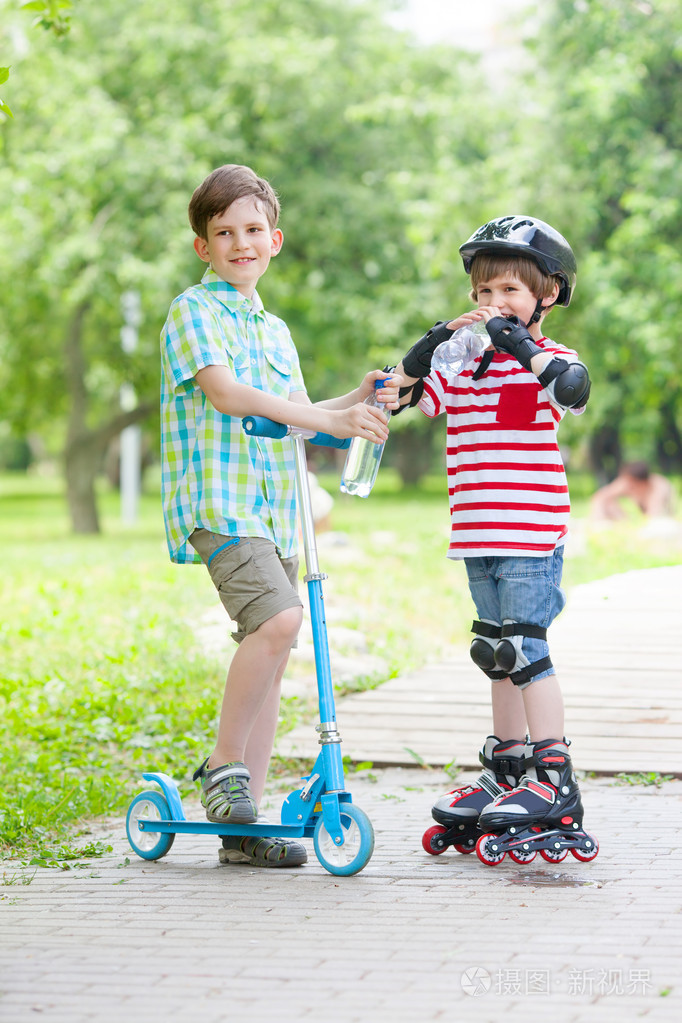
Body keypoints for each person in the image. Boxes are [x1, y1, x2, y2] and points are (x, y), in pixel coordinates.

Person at [160, 164, 401, 867]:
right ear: (204, 247)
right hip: (223, 505)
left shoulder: (275, 328)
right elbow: (232, 397)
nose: (241, 242)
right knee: (278, 621)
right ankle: (223, 768)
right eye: (224, 232)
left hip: (274, 507)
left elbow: (296, 416)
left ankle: (244, 824)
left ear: (276, 240)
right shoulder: (193, 312)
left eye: (253, 230)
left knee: (273, 649)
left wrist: (349, 402)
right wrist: (328, 416)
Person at [394, 215, 598, 860]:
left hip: (530, 529)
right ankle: (508, 767)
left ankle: (553, 777)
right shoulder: (467, 364)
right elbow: (402, 395)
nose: (492, 306)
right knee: (494, 651)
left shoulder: (549, 362)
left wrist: (518, 343)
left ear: (549, 294)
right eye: (483, 294)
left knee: (526, 648)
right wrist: (428, 348)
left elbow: (573, 390)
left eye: (509, 291)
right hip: (476, 529)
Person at [590, 460, 674, 521]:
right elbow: (600, 496)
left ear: (643, 482)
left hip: (663, 518)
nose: (629, 487)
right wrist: (599, 519)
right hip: (627, 520)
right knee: (607, 503)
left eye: (632, 484)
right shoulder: (626, 482)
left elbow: (654, 515)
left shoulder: (658, 487)